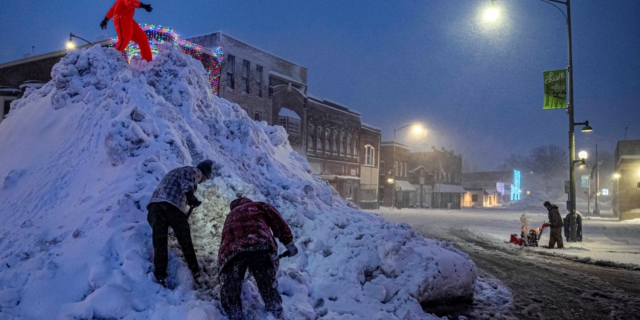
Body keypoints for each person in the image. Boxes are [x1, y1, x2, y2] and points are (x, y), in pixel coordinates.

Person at [218, 197, 298, 320]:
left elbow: (224, 241)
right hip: (259, 245)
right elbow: (278, 223)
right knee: (266, 282)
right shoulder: (258, 205)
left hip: (231, 252)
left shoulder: (230, 216)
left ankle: (233, 315)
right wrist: (289, 244)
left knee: (230, 289)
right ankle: (276, 313)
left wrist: (224, 268)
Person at [146, 160, 213, 287]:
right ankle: (195, 271)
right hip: (171, 207)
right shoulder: (195, 171)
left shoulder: (174, 172)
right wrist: (191, 196)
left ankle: (160, 276)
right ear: (204, 174)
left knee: (160, 241)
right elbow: (187, 179)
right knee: (185, 240)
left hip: (154, 206)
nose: (204, 181)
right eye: (206, 179)